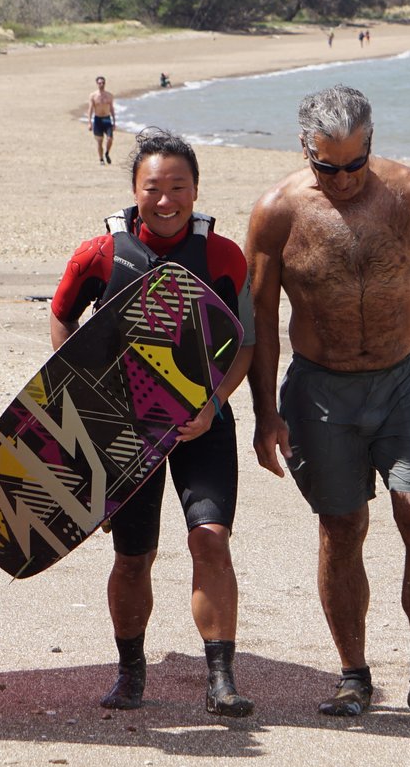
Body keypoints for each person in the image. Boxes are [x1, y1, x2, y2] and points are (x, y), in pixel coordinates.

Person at [245, 84, 410, 722]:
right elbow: (260, 319)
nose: (343, 179)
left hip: (406, 380)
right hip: (319, 388)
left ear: (371, 145)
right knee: (342, 527)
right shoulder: (277, 211)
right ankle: (353, 677)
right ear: (304, 148)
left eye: (355, 164)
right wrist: (265, 411)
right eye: (327, 165)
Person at [49, 128, 258, 717]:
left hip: (201, 424)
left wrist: (213, 405)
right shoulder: (100, 255)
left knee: (209, 541)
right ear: (133, 189)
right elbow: (62, 319)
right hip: (126, 431)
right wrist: (83, 403)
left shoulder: (223, 255)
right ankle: (130, 673)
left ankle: (221, 677)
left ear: (196, 190)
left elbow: (246, 343)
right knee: (133, 557)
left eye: (178, 187)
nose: (165, 201)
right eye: (152, 188)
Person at [87, 75, 116, 165]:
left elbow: (111, 109)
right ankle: (101, 159)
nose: (101, 84)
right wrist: (89, 122)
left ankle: (107, 153)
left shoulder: (109, 95)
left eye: (103, 83)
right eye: (100, 83)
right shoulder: (93, 96)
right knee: (99, 141)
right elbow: (90, 109)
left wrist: (114, 121)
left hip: (107, 119)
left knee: (110, 139)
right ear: (97, 84)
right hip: (98, 119)